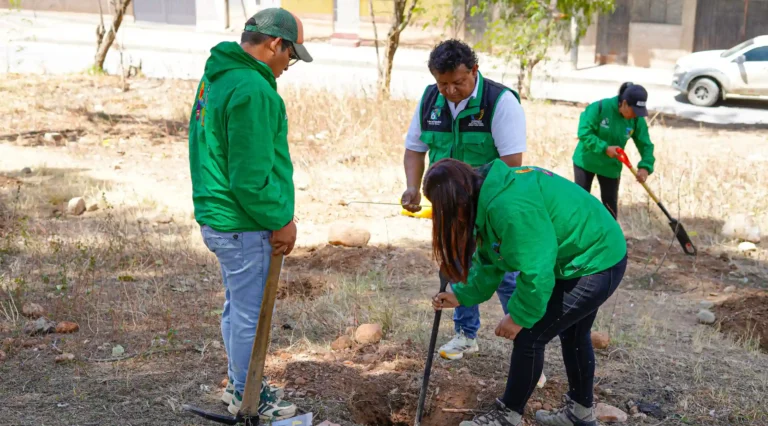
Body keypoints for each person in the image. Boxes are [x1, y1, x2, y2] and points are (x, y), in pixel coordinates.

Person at [427, 158, 628, 426]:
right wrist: (461, 295)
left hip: (597, 259)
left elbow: (537, 269)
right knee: (573, 333)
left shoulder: (509, 208)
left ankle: (507, 416)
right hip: (582, 255)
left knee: (530, 336)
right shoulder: (486, 195)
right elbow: (491, 258)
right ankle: (580, 413)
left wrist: (518, 316)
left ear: (457, 203)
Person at [187, 7, 312, 420]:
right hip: (244, 222)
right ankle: (250, 396)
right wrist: (281, 220)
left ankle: (239, 384)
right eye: (290, 55)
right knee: (250, 315)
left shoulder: (217, 76)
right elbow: (249, 177)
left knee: (237, 307)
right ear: (275, 44)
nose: (287, 66)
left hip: (219, 216)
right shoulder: (253, 89)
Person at [400, 39, 529, 362]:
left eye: (458, 82)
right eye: (442, 84)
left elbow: (512, 163)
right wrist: (413, 188)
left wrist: (477, 200)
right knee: (456, 266)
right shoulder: (430, 100)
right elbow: (415, 149)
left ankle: (526, 340)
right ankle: (465, 334)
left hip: (490, 207)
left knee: (503, 270)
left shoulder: (500, 102)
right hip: (449, 207)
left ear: (474, 70)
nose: (450, 91)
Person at [573, 82, 656, 219]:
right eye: (634, 111)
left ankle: (609, 233)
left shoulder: (636, 120)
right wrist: (604, 148)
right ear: (624, 103)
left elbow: (646, 144)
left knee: (610, 208)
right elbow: (584, 132)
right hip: (586, 161)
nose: (636, 115)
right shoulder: (599, 108)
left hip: (610, 167)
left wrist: (645, 166)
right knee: (580, 202)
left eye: (639, 112)